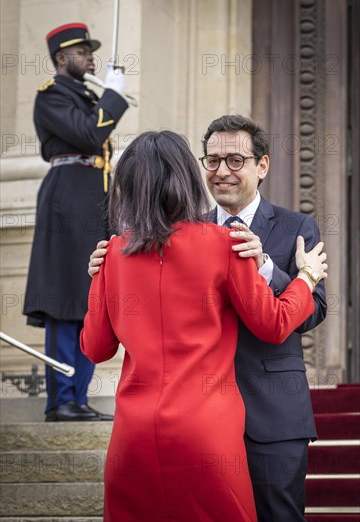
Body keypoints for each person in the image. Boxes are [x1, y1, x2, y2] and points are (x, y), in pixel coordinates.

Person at [89, 115, 327, 520]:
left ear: (261, 166)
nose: (222, 171)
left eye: (235, 160)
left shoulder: (298, 226)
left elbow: (95, 346)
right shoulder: (211, 241)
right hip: (208, 427)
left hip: (259, 417)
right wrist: (305, 276)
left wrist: (267, 265)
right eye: (212, 161)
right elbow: (274, 320)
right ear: (190, 172)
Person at [23, 23, 129, 422]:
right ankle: (61, 399)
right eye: (82, 52)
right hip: (67, 199)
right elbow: (87, 137)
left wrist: (106, 96)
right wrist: (115, 96)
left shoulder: (86, 96)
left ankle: (78, 398)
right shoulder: (51, 96)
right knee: (65, 300)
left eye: (90, 51)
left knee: (90, 301)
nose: (90, 57)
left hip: (93, 197)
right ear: (61, 58)